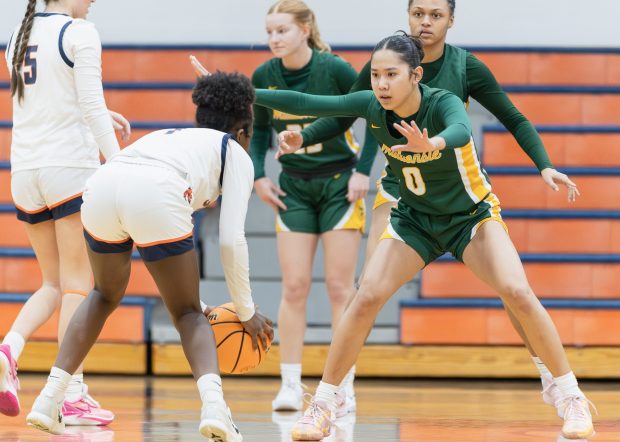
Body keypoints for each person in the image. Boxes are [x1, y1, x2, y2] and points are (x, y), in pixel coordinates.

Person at [253, 33, 595, 441]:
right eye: (376, 75)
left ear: (415, 75)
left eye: (391, 75)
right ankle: (325, 403)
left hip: (470, 217)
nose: (381, 83)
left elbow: (461, 130)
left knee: (517, 291)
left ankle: (570, 396)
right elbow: (309, 105)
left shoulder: (442, 101)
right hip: (415, 220)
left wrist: (430, 142)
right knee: (365, 297)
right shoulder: (371, 104)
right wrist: (242, 91)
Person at [26, 71, 274, 441]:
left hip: (103, 184)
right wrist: (247, 311)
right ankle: (215, 411)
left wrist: (201, 301)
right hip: (152, 190)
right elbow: (231, 241)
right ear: (243, 129)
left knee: (103, 294)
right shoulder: (233, 151)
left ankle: (48, 400)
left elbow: (154, 238)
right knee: (188, 315)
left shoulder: (168, 139)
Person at [0, 0, 130, 425]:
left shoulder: (18, 35)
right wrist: (121, 165)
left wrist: (99, 115)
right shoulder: (80, 32)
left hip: (25, 171)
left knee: (53, 283)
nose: (94, 0)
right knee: (78, 286)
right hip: (69, 168)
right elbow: (90, 107)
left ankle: (9, 349)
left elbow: (49, 100)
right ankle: (70, 393)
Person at [251, 0, 376, 413]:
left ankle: (343, 386)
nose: (273, 39)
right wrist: (258, 175)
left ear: (305, 30)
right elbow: (258, 134)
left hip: (340, 184)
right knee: (294, 286)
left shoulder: (335, 68)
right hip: (295, 190)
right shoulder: (263, 77)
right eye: (269, 31)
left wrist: (364, 170)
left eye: (282, 30)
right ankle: (290, 384)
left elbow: (375, 113)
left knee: (341, 289)